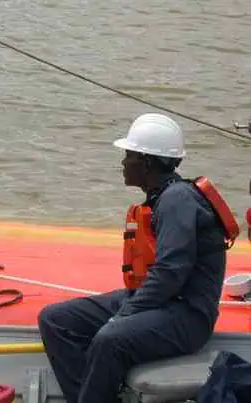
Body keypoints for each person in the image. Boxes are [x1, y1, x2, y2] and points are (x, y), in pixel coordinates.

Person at [38, 113, 235, 403]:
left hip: (187, 316)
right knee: (56, 320)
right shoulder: (164, 196)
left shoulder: (176, 200)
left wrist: (123, 315)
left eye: (128, 155)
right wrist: (130, 309)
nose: (123, 163)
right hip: (161, 303)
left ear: (146, 163)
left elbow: (170, 272)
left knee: (110, 339)